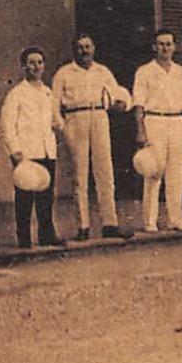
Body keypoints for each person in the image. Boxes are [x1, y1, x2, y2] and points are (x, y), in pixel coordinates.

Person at [50, 34, 131, 241]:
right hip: (75, 118)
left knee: (105, 170)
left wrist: (121, 104)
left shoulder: (102, 72)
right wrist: (63, 128)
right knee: (80, 174)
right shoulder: (64, 73)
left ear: (94, 48)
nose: (84, 51)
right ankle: (83, 225)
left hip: (99, 117)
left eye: (87, 47)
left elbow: (120, 94)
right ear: (73, 50)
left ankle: (110, 223)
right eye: (79, 47)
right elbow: (54, 105)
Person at [131, 29, 182, 234]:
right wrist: (140, 130)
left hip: (176, 121)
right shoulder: (144, 71)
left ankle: (176, 219)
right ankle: (150, 221)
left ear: (174, 47)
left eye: (168, 44)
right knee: (153, 171)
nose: (165, 48)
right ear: (154, 47)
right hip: (154, 120)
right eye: (161, 44)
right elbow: (138, 103)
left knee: (177, 173)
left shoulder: (180, 71)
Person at [1, 46, 63, 249]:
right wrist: (15, 151)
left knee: (46, 196)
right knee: (25, 198)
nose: (36, 66)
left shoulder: (47, 92)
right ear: (23, 66)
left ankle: (47, 234)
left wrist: (58, 124)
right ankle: (24, 238)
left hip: (46, 150)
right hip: (27, 152)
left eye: (39, 62)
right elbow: (8, 124)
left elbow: (56, 118)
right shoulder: (17, 93)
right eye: (31, 62)